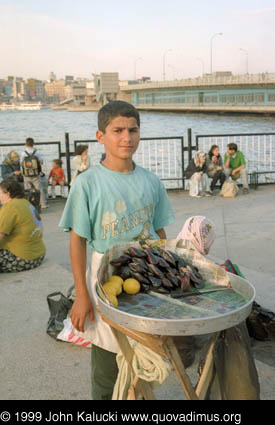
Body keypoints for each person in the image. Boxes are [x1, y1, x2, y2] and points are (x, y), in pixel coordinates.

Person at [59, 100, 176, 400]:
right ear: (101, 137)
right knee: (107, 365)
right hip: (102, 282)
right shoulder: (87, 184)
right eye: (118, 130)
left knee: (142, 360)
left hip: (143, 280)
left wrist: (167, 273)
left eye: (133, 130)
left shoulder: (151, 181)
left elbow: (159, 233)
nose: (126, 138)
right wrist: (81, 295)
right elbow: (77, 241)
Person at [0, 178, 46, 273]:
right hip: (38, 255)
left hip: (22, 258)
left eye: (0, 193)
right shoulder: (26, 203)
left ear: (7, 193)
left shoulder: (10, 207)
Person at [20, 137, 49, 209]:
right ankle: (43, 204)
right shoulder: (37, 152)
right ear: (33, 144)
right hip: (36, 174)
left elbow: (21, 163)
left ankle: (28, 205)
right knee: (39, 189)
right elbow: (41, 162)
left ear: (25, 144)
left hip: (26, 174)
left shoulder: (23, 153)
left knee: (27, 189)